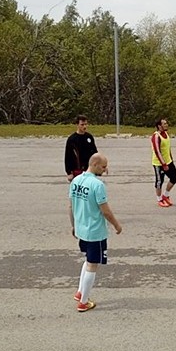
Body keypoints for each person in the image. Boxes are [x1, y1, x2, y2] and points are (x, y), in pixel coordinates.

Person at [69, 153, 122, 312]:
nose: (105, 170)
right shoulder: (97, 185)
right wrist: (116, 225)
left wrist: (74, 225)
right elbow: (105, 211)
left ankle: (80, 292)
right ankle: (84, 302)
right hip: (95, 231)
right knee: (93, 264)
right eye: (103, 167)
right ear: (95, 164)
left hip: (81, 228)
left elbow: (71, 206)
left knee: (88, 259)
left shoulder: (76, 180)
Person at [151, 118, 176, 207]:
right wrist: (163, 164)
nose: (166, 125)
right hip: (159, 164)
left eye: (166, 123)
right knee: (159, 182)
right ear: (159, 126)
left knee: (174, 178)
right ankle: (159, 199)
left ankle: (166, 195)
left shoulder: (166, 133)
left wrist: (171, 159)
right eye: (164, 124)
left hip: (168, 161)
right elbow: (157, 151)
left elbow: (167, 148)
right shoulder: (156, 136)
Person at [65, 115, 98, 182]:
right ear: (77, 125)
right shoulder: (72, 139)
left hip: (89, 169)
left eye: (86, 124)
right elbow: (68, 157)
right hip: (77, 170)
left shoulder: (89, 137)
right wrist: (69, 172)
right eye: (82, 125)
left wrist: (99, 165)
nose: (84, 126)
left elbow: (94, 153)